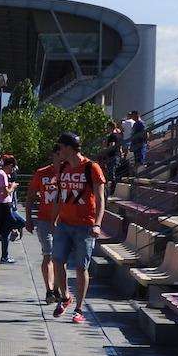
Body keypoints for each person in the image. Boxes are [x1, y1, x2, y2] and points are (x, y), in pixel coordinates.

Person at [51, 131, 106, 324]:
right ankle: (66, 296)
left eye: (61, 147)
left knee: (82, 267)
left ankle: (79, 309)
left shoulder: (92, 168)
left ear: (69, 148)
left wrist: (98, 223)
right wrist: (54, 218)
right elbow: (60, 195)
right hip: (65, 223)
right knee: (57, 261)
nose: (59, 151)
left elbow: (100, 198)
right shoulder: (64, 168)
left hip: (85, 225)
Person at [28, 145, 63, 304]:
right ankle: (49, 290)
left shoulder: (69, 174)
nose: (61, 157)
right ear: (53, 155)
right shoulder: (41, 173)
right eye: (58, 154)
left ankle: (57, 288)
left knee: (60, 257)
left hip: (64, 221)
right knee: (47, 254)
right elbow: (30, 196)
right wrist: (28, 218)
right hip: (44, 219)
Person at [0, 154, 17, 264]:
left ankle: (5, 255)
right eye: (12, 167)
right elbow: (6, 193)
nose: (13, 170)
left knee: (7, 231)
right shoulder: (3, 174)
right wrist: (13, 186)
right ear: (9, 165)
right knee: (19, 222)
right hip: (4, 204)